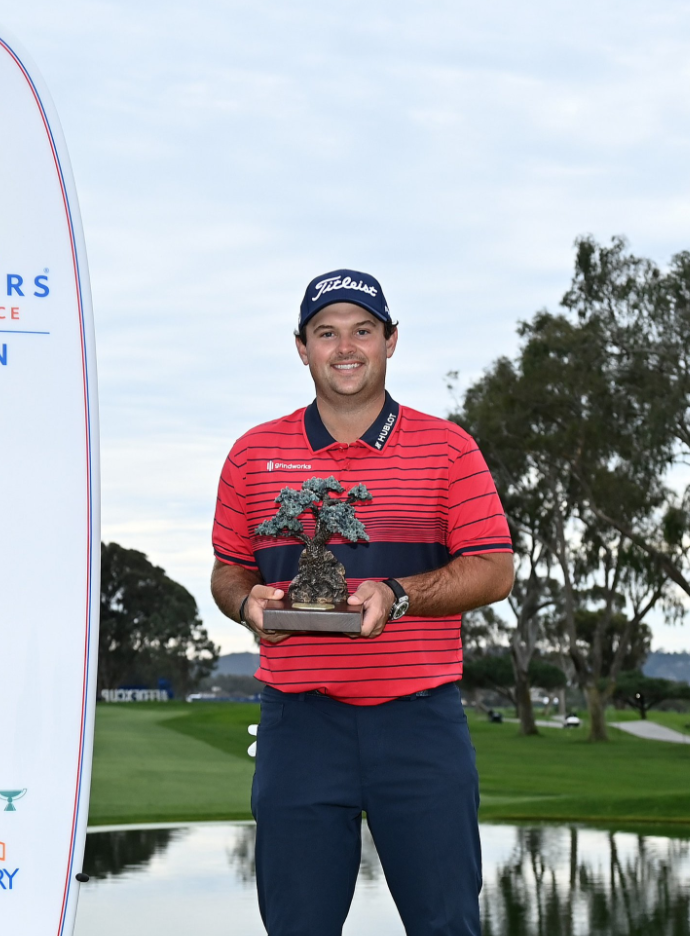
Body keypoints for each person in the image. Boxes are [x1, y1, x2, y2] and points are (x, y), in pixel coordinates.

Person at [210, 269, 514, 936]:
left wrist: (398, 594)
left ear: (390, 341)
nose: (345, 348)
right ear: (302, 347)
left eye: (362, 331)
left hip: (420, 725)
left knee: (446, 925)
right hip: (298, 727)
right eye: (327, 333)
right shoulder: (252, 456)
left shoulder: (448, 449)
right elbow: (229, 569)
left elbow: (494, 570)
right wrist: (246, 604)